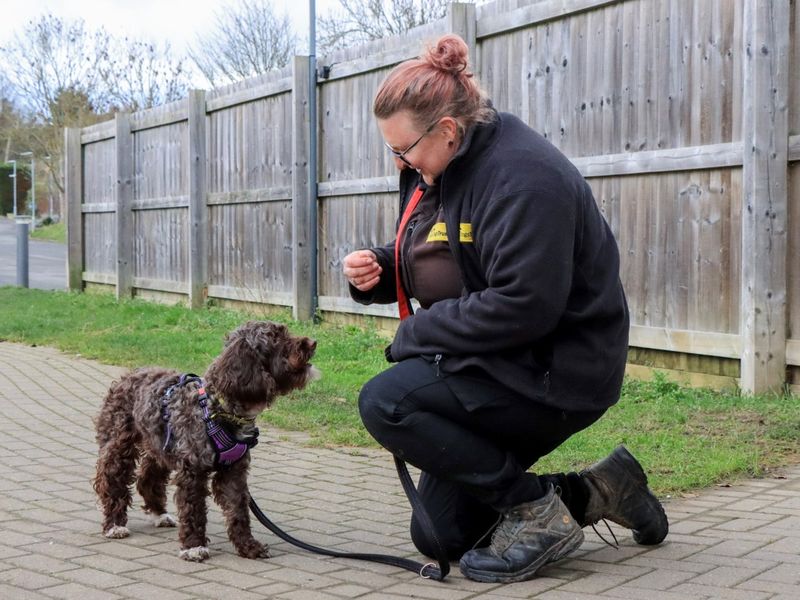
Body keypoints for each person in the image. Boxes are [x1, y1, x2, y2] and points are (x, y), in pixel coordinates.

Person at [342, 34, 668, 584]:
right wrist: (382, 269)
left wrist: (417, 333)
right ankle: (604, 488)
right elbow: (446, 256)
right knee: (442, 533)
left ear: (447, 129)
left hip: (555, 371)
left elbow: (523, 305)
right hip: (499, 359)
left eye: (404, 149)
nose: (399, 162)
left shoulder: (525, 179)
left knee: (387, 401)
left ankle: (537, 515)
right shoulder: (443, 166)